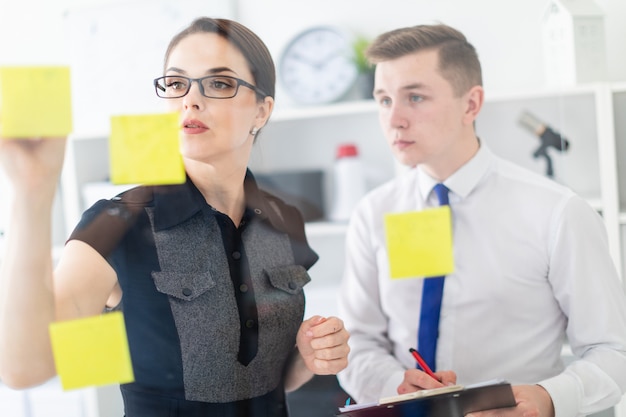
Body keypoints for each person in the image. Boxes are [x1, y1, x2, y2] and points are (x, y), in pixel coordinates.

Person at [0, 17, 350, 417]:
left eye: (219, 83)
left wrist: (309, 358)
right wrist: (32, 193)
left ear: (262, 110)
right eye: (176, 83)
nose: (190, 100)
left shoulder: (284, 217)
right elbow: (23, 369)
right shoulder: (118, 223)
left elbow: (268, 378)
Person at [336, 23, 626, 417]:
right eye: (384, 100)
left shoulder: (558, 212)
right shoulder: (374, 213)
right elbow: (359, 342)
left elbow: (613, 352)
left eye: (415, 97)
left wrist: (547, 398)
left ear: (471, 105)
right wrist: (394, 383)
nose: (395, 119)